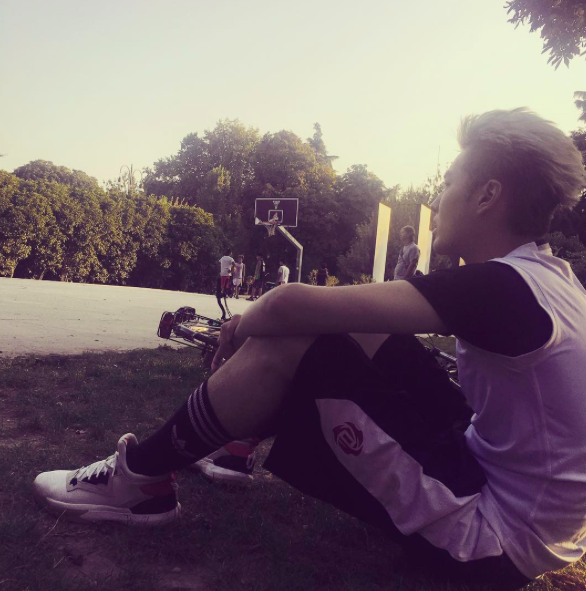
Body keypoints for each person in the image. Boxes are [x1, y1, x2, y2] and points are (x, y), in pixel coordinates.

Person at [34, 109, 586, 590]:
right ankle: (234, 442)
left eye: (447, 182)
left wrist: (241, 327)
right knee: (357, 331)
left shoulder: (502, 287)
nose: (437, 198)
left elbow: (287, 306)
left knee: (295, 334)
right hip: (516, 499)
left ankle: (140, 479)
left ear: (488, 195)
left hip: (496, 540)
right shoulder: (550, 280)